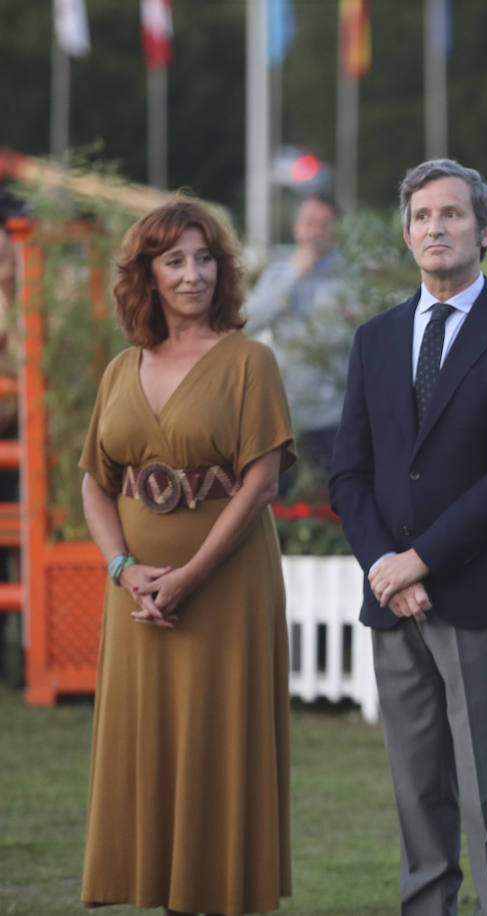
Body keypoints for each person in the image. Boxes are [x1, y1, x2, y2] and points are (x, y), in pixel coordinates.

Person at [329, 159, 487, 916]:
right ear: (405, 233)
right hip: (395, 605)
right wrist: (387, 569)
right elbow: (348, 475)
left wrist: (419, 561)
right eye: (422, 216)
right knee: (416, 791)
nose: (436, 227)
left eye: (452, 214)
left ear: (485, 231)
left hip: (480, 599)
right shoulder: (376, 339)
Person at [79, 197, 295, 916]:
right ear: (147, 273)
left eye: (205, 258)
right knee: (149, 750)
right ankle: (158, 891)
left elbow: (262, 481)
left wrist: (190, 578)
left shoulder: (248, 361)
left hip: (225, 590)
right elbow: (94, 482)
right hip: (137, 597)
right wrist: (123, 570)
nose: (193, 273)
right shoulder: (121, 368)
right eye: (175, 260)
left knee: (216, 747)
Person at [243, 193, 348, 478]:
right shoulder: (278, 274)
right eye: (308, 223)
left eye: (324, 225)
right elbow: (249, 321)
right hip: (286, 414)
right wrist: (294, 275)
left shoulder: (350, 277)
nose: (315, 233)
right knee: (283, 499)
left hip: (335, 413)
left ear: (337, 230)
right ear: (296, 227)